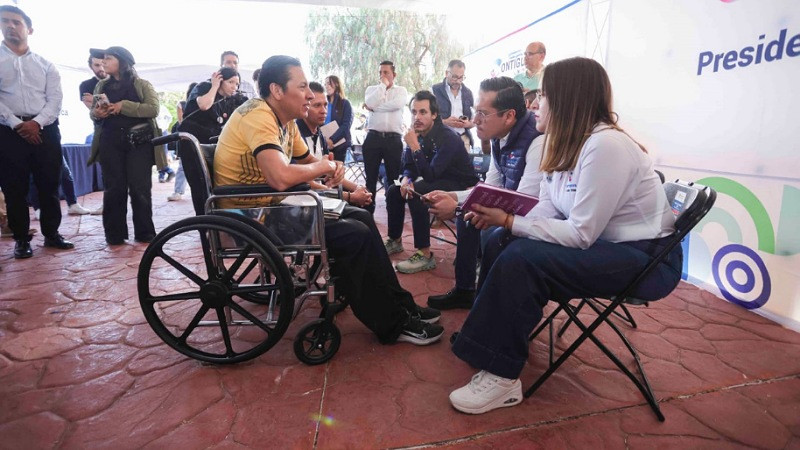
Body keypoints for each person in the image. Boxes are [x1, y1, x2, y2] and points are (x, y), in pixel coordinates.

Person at [446, 56, 682, 414]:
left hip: (645, 259)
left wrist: (509, 220)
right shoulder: (564, 142)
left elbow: (581, 233)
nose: (535, 104)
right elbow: (549, 207)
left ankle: (503, 377)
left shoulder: (606, 146)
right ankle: (489, 342)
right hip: (604, 245)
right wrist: (506, 223)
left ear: (568, 99)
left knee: (522, 259)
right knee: (499, 240)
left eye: (543, 95)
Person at [213, 55, 443, 346]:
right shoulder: (259, 117)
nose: (310, 95)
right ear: (277, 90)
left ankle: (401, 304)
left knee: (360, 216)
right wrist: (324, 167)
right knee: (353, 235)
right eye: (302, 87)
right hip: (252, 217)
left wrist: (337, 172)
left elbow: (309, 161)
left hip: (272, 207)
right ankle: (392, 323)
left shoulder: (284, 120)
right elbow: (281, 177)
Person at [425, 77, 541, 310]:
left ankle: (490, 306)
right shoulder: (500, 137)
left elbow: (524, 205)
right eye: (475, 111)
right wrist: (454, 197)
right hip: (514, 212)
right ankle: (466, 290)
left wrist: (457, 207)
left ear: (509, 116)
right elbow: (490, 188)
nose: (475, 120)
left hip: (536, 220)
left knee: (489, 231)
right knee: (468, 216)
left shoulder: (537, 142)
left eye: (483, 113)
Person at [0, 5, 74, 259]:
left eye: (16, 22)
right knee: (14, 188)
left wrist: (37, 123)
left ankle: (52, 234)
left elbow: (55, 99)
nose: (10, 26)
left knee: (49, 184)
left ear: (29, 29)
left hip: (45, 130)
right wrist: (16, 124)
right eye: (5, 21)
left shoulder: (45, 65)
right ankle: (21, 239)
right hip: (8, 132)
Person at [384, 91, 478, 274]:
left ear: (434, 114)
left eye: (423, 112)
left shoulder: (448, 137)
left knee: (418, 192)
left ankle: (425, 254)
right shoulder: (416, 134)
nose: (417, 117)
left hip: (459, 183)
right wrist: (406, 180)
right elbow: (409, 167)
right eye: (414, 112)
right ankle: (395, 240)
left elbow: (430, 175)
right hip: (437, 178)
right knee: (394, 189)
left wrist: (414, 146)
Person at [88, 46, 165, 245]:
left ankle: (145, 232)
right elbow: (94, 113)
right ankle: (114, 234)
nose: (103, 62)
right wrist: (97, 113)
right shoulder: (101, 86)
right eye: (103, 58)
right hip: (110, 141)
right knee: (113, 188)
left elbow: (153, 109)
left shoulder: (142, 84)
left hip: (138, 143)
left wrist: (123, 106)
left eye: (109, 58)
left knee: (140, 188)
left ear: (122, 62)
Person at [296, 81, 371, 207]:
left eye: (325, 105)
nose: (323, 111)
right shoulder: (296, 134)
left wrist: (357, 187)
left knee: (366, 200)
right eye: (317, 105)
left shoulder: (319, 133)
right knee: (360, 216)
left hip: (321, 193)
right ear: (304, 106)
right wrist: (349, 196)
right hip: (307, 198)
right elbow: (304, 182)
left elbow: (330, 173)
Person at [362, 60, 408, 215]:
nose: (382, 75)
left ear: (394, 74)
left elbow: (397, 105)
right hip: (373, 138)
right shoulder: (372, 89)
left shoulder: (401, 91)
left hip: (393, 140)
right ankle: (367, 215)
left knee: (394, 179)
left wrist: (375, 108)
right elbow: (369, 102)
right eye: (380, 72)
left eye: (386, 72)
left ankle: (393, 212)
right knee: (370, 179)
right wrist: (382, 86)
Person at [431, 59, 474, 152]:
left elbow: (476, 119)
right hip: (441, 139)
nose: (458, 81)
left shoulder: (468, 93)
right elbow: (427, 118)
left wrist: (468, 124)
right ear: (447, 73)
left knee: (464, 162)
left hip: (463, 139)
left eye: (461, 77)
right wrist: (444, 122)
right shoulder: (434, 90)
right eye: (455, 77)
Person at [167, 82, 198, 202]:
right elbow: (181, 121)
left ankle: (179, 191)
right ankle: (178, 191)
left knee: (185, 165)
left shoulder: (201, 103)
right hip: (187, 136)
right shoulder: (183, 104)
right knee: (183, 165)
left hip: (193, 136)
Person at [323, 75, 353, 162]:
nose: (326, 86)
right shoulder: (323, 103)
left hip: (340, 145)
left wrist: (332, 139)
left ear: (336, 84)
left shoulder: (345, 104)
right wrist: (325, 140)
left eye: (329, 83)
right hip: (325, 143)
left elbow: (346, 125)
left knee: (337, 169)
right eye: (325, 84)